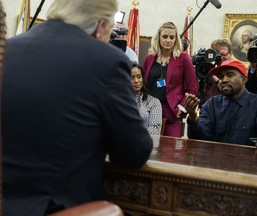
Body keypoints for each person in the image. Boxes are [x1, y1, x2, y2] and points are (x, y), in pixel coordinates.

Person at [2, 0, 153, 215]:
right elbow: (134, 151)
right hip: (55, 206)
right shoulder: (108, 61)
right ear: (101, 26)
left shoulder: (9, 48)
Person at [184, 59, 257, 151]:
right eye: (221, 76)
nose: (224, 80)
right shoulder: (210, 105)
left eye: (230, 75)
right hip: (214, 164)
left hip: (249, 164)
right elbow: (200, 138)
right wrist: (193, 118)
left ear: (244, 79)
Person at [143, 21, 198, 137]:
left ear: (176, 40)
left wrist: (182, 107)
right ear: (158, 38)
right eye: (165, 37)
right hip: (149, 111)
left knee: (170, 152)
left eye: (172, 37)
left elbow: (193, 88)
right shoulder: (149, 58)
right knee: (147, 150)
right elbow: (143, 85)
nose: (168, 40)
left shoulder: (183, 58)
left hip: (171, 112)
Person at [199, 38, 233, 105]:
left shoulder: (235, 72)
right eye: (217, 55)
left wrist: (215, 78)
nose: (220, 58)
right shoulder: (206, 70)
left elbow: (232, 93)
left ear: (230, 54)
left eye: (223, 54)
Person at [131, 63, 162, 135]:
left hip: (145, 143)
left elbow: (155, 130)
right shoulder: (121, 101)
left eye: (139, 77)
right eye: (132, 78)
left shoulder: (154, 102)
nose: (136, 81)